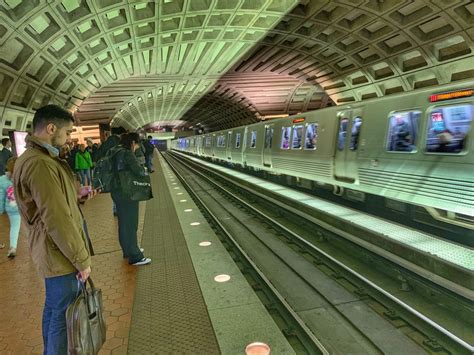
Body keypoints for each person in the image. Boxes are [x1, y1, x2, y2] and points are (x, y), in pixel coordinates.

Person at [12, 104, 92, 354]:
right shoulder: (41, 164)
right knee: (62, 314)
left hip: (52, 250)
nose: (69, 138)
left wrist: (76, 197)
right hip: (59, 253)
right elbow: (57, 219)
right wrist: (81, 260)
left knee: (54, 309)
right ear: (50, 128)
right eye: (67, 132)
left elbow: (49, 206)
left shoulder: (35, 159)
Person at [110, 132, 151, 266]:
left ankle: (128, 250)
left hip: (116, 191)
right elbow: (138, 171)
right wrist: (144, 170)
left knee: (123, 222)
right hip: (127, 192)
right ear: (133, 142)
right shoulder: (127, 153)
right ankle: (135, 256)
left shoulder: (115, 151)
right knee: (131, 223)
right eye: (137, 144)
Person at [0, 157, 21, 258]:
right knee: (32, 227)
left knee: (14, 227)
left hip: (12, 208)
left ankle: (13, 248)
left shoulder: (2, 180)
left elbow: (1, 197)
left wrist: (0, 210)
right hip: (24, 207)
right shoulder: (23, 176)